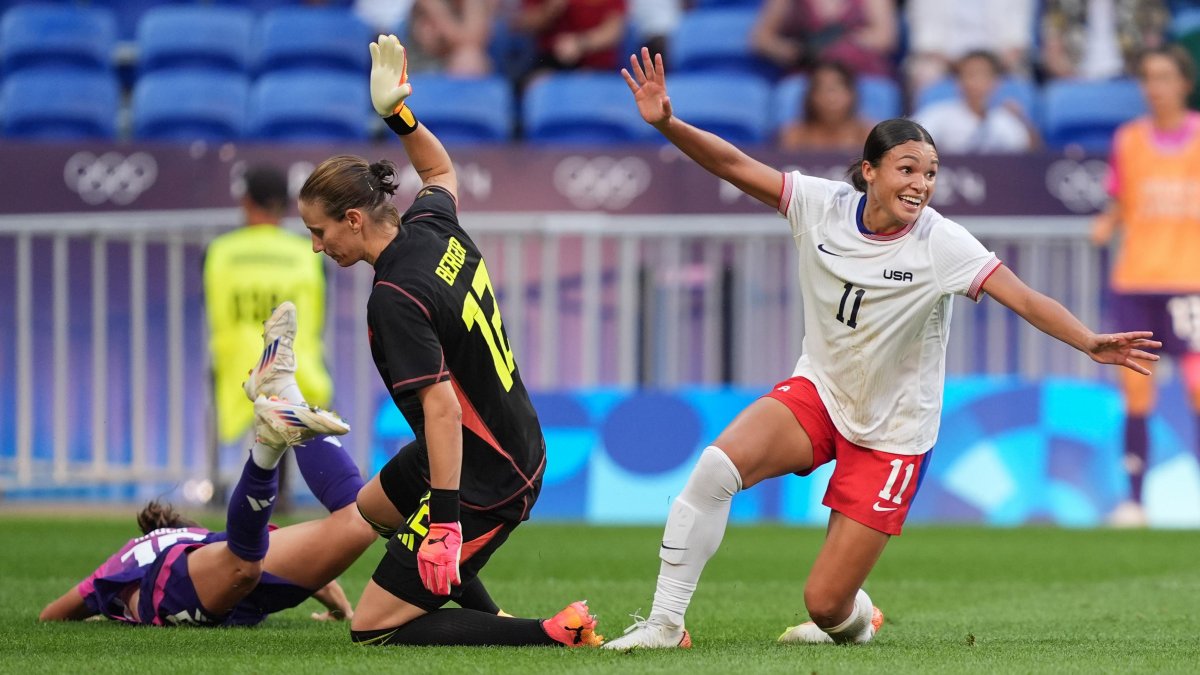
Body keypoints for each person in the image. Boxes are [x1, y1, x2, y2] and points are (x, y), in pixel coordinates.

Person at [604, 48, 1161, 650]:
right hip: (820, 390)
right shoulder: (819, 205)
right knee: (716, 468)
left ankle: (858, 616)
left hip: (894, 431)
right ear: (869, 171)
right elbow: (735, 163)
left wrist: (1088, 341)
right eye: (907, 169)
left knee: (825, 607)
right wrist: (666, 123)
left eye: (930, 172)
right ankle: (664, 625)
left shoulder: (940, 241)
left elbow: (1021, 297)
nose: (921, 184)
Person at [296, 34, 601, 648]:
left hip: (491, 469)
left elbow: (441, 407)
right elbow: (438, 169)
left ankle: (549, 634)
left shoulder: (395, 298)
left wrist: (442, 523)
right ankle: (487, 606)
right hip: (504, 436)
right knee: (375, 508)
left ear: (354, 220)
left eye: (319, 231)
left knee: (374, 627)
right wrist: (398, 116)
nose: (316, 246)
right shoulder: (432, 224)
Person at [40, 303, 374, 626]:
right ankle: (284, 394)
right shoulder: (199, 540)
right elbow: (317, 575)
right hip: (223, 562)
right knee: (353, 523)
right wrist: (341, 609)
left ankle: (272, 431)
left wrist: (100, 612)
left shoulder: (126, 563)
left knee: (342, 528)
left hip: (188, 583)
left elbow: (52, 615)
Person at [1092, 45, 1200, 526]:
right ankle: (1134, 501)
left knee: (1198, 387)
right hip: (1135, 281)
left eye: (1163, 76)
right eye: (1148, 77)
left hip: (1190, 282)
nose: (1154, 86)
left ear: (1184, 83)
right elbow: (1123, 198)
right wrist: (1108, 221)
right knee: (1136, 392)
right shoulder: (1129, 139)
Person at [204, 164, 333, 506]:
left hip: (237, 358)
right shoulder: (306, 253)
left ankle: (220, 490)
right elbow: (320, 305)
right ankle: (284, 493)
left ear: (246, 201)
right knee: (287, 422)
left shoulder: (220, 251)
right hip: (294, 357)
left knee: (231, 420)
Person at [911, 50, 1036, 155]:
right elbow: (908, 141)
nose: (977, 82)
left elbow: (1026, 153)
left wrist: (1021, 119)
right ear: (958, 82)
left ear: (996, 83)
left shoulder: (1004, 118)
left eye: (983, 75)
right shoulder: (939, 114)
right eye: (970, 75)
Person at [902, 0, 1034, 95]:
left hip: (999, 64)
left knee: (1019, 82)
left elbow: (1017, 40)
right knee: (925, 75)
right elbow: (926, 40)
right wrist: (965, 69)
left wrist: (982, 69)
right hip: (944, 64)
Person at [751, 0, 897, 77]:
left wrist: (843, 42)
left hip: (859, 71)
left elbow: (885, 38)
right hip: (808, 71)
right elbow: (762, 39)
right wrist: (790, 51)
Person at [1039, 0, 1168, 81]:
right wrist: (1068, 75)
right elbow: (1052, 42)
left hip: (1130, 74)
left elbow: (1153, 40)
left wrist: (1141, 72)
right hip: (1073, 75)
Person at [778, 60, 873, 152]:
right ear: (811, 96)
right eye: (822, 88)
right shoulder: (795, 136)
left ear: (852, 94)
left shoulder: (867, 134)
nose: (830, 97)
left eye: (837, 88)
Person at [514, 0, 627, 74]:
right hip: (550, 64)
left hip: (598, 68)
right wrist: (550, 10)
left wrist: (579, 44)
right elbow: (521, 24)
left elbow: (613, 32)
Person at [403, 0, 494, 76]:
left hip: (454, 60)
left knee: (470, 59)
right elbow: (434, 41)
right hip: (421, 64)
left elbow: (476, 37)